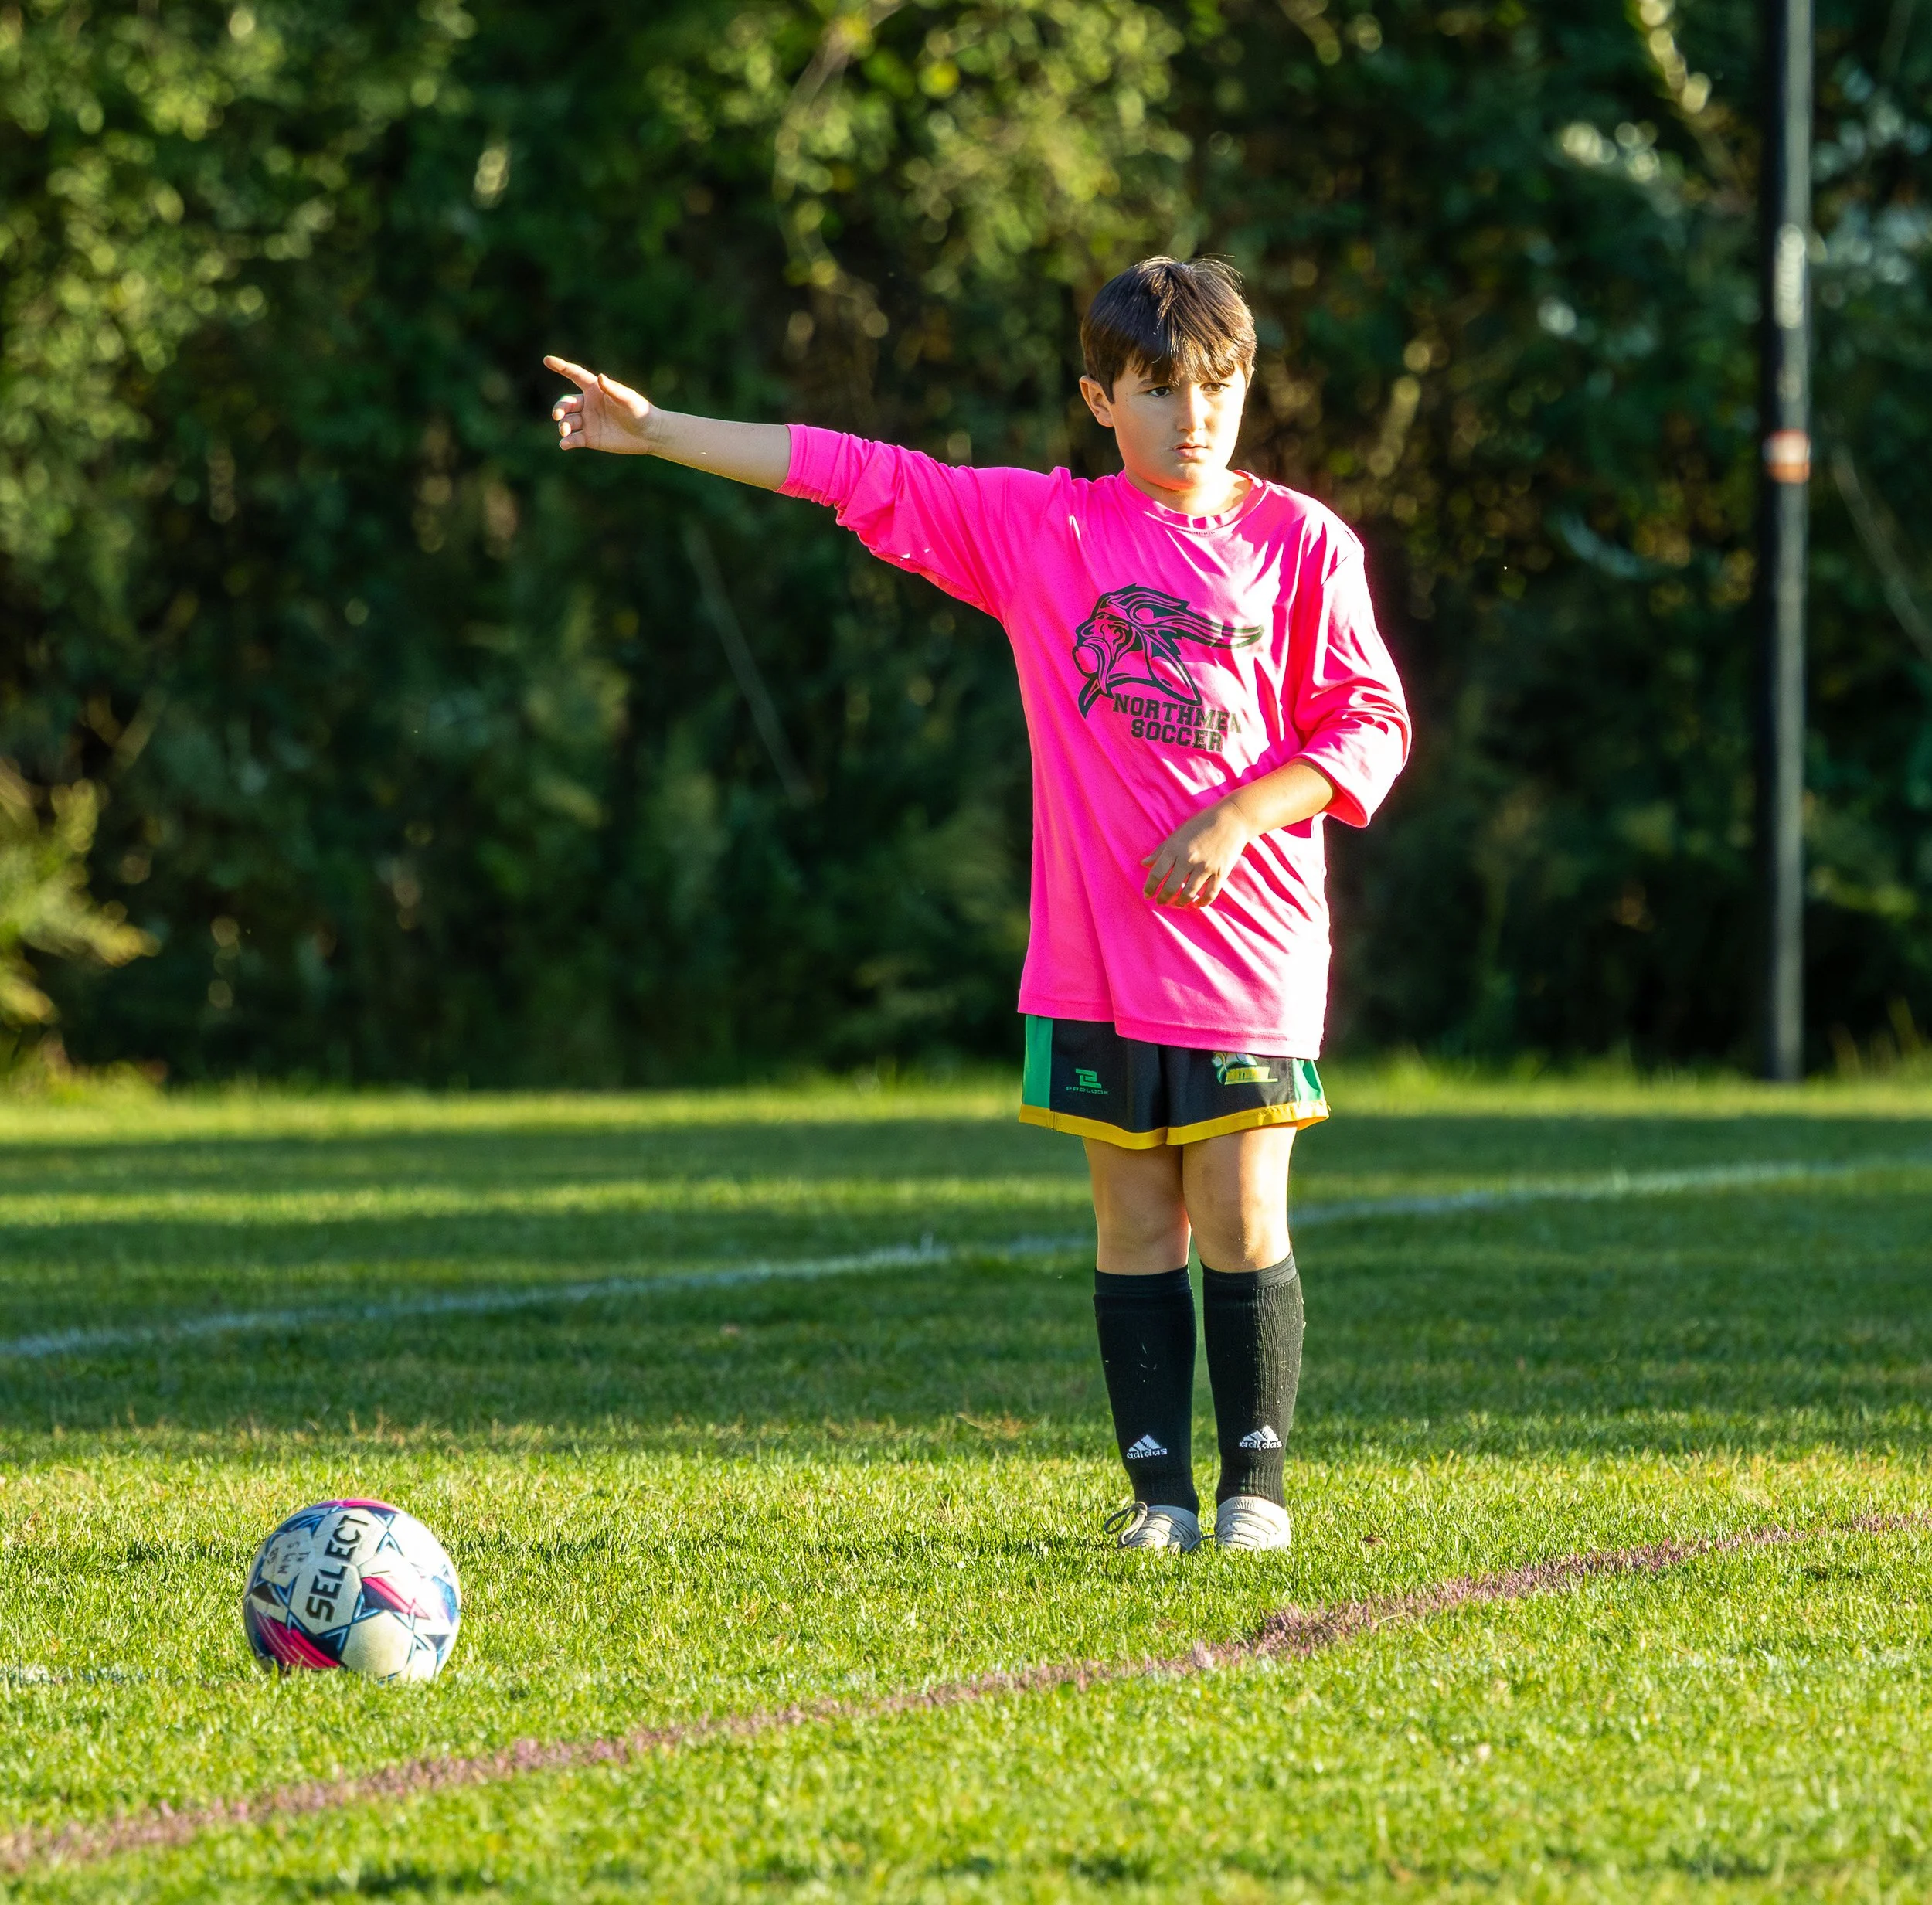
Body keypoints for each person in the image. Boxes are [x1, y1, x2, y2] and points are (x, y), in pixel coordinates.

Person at [544, 257, 1409, 1553]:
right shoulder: (1043, 530)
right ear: (1099, 400)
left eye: (1218, 388)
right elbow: (853, 470)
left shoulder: (1303, 542)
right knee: (1135, 1224)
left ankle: (1255, 1497)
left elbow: (1371, 725)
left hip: (1247, 955)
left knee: (1238, 1214)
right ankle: (1163, 1501)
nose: (1194, 417)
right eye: (1159, 390)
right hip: (1093, 960)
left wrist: (1239, 816)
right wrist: (658, 430)